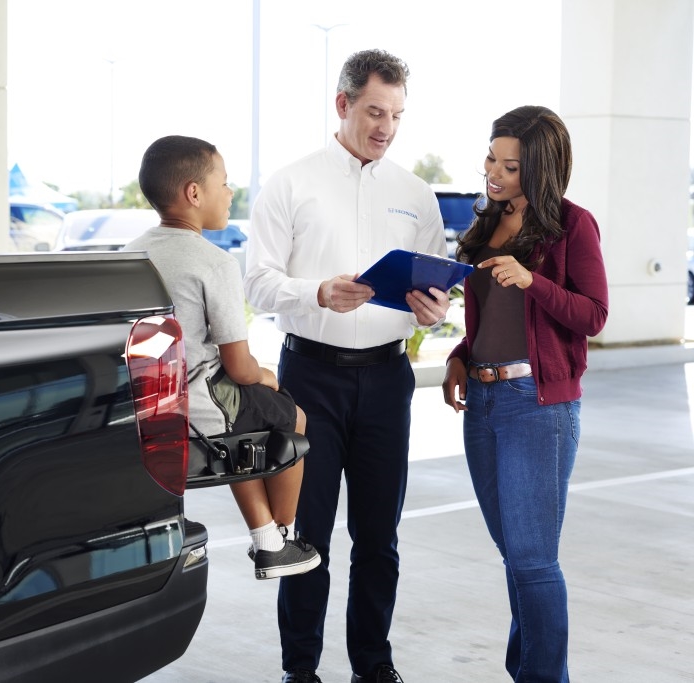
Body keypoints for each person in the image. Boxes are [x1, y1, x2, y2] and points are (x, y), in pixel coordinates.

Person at [243, 49, 449, 683]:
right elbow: (255, 283)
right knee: (307, 534)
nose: (386, 127)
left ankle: (373, 666)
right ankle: (299, 670)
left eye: (397, 116)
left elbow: (437, 290)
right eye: (375, 111)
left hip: (388, 380)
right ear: (343, 104)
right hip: (310, 377)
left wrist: (431, 311)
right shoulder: (291, 183)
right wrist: (316, 293)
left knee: (379, 536)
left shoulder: (416, 194)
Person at [441, 106, 608, 682]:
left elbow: (594, 315)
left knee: (534, 561)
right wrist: (460, 358)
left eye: (511, 167)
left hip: (538, 407)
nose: (495, 172)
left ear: (538, 169)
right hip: (482, 402)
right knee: (514, 555)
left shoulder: (572, 225)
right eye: (492, 158)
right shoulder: (486, 225)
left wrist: (533, 280)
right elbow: (486, 323)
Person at [125, 134, 321, 580]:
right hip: (199, 404)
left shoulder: (130, 253)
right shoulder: (213, 262)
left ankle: (267, 538)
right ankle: (281, 540)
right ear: (194, 194)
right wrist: (266, 376)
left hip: (148, 399)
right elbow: (238, 365)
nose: (230, 193)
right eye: (224, 182)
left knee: (246, 422)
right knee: (290, 418)